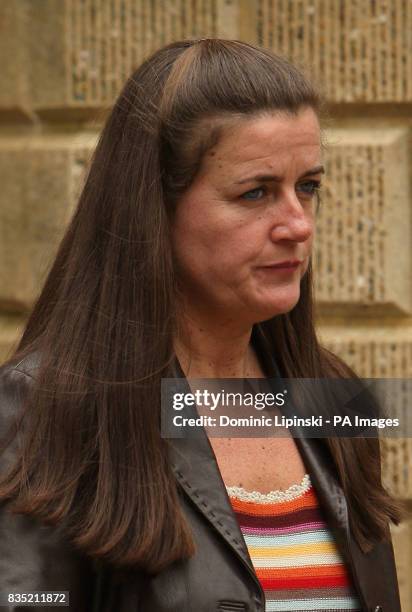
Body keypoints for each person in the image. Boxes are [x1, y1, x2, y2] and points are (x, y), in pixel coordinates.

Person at [0, 38, 404, 612]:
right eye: (255, 192)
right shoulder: (39, 411)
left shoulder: (331, 398)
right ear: (154, 208)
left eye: (307, 187)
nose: (297, 224)